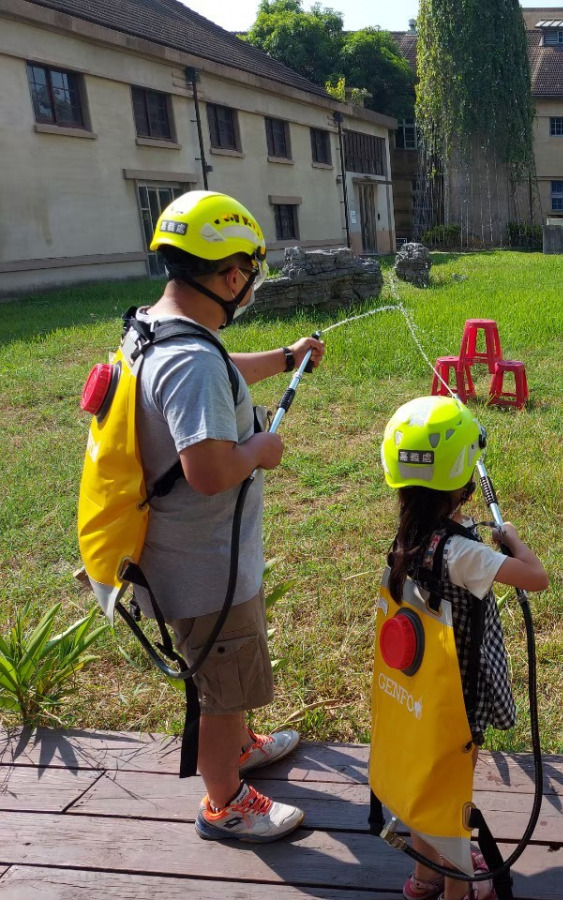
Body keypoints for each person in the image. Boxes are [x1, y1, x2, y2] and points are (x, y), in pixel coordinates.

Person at [138, 191, 326, 843]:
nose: (248, 285)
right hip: (202, 575)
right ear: (231, 275)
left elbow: (220, 369)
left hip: (192, 561)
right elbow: (210, 471)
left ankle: (239, 745)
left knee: (230, 673)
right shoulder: (190, 361)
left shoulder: (162, 330)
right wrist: (261, 449)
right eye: (249, 271)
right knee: (223, 685)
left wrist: (282, 358)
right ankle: (225, 800)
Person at [380, 396, 548, 900]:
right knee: (453, 795)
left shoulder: (405, 541)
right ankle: (459, 891)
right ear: (460, 486)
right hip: (458, 699)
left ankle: (424, 878)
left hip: (417, 693)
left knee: (426, 788)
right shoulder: (462, 553)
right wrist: (514, 540)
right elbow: (536, 578)